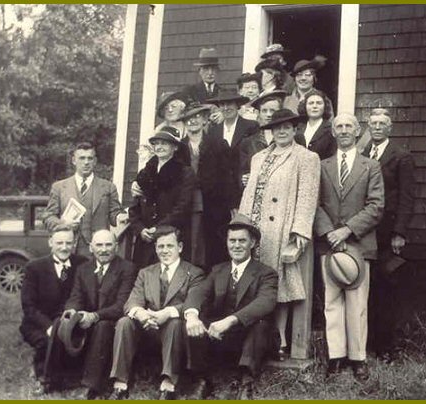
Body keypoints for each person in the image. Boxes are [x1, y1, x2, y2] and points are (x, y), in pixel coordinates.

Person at [239, 109, 320, 359]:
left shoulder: (306, 157)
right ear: (270, 131)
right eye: (277, 127)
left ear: (295, 129)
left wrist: (299, 231)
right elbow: (249, 193)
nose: (282, 131)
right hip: (256, 229)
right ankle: (252, 340)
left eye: (287, 127)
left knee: (278, 285)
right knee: (253, 282)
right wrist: (241, 226)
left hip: (281, 228)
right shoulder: (259, 157)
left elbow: (307, 197)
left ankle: (280, 341)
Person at [314, 112, 384, 382]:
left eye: (348, 126)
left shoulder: (371, 166)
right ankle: (336, 357)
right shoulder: (323, 165)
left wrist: (347, 229)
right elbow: (316, 203)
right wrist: (330, 232)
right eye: (338, 126)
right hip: (329, 243)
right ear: (333, 132)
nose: (343, 130)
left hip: (359, 243)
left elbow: (376, 206)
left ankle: (358, 358)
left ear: (357, 132)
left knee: (357, 303)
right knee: (332, 302)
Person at [184, 214, 278, 400]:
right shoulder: (218, 270)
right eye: (232, 240)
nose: (236, 246)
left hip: (249, 337)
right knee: (192, 320)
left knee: (260, 324)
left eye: (242, 241)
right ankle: (202, 380)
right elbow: (199, 292)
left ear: (252, 243)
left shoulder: (266, 273)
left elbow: (265, 302)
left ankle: (246, 382)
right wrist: (192, 315)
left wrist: (230, 321)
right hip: (219, 336)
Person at [108, 226, 205, 400]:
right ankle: (120, 383)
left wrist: (168, 313)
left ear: (180, 247)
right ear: (155, 248)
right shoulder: (146, 273)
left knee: (175, 323)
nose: (165, 251)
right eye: (160, 246)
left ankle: (168, 384)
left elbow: (195, 302)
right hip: (148, 327)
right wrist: (141, 314)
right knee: (124, 322)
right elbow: (132, 301)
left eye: (170, 246)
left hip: (174, 332)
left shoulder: (194, 273)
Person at [362, 108, 415, 362]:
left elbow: (406, 198)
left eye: (382, 124)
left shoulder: (401, 156)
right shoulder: (362, 154)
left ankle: (386, 347)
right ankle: (368, 342)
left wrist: (399, 233)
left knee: (385, 288)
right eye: (373, 123)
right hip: (365, 231)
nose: (377, 127)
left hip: (387, 232)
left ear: (390, 128)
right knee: (367, 287)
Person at [61, 230, 137, 399]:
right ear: (91, 248)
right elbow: (76, 297)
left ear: (116, 247)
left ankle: (91, 385)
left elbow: (121, 305)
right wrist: (73, 310)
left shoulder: (127, 269)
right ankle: (51, 377)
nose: (103, 249)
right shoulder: (83, 269)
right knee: (63, 323)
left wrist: (94, 316)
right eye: (99, 245)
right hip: (87, 320)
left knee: (102, 326)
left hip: (113, 322)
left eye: (108, 245)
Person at [20, 225, 88, 394]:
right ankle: (44, 378)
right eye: (59, 243)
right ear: (50, 242)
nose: (64, 247)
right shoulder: (34, 267)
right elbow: (29, 306)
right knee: (47, 341)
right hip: (39, 322)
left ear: (74, 244)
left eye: (68, 243)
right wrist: (48, 326)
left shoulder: (83, 264)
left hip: (69, 321)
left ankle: (70, 376)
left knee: (77, 342)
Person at [128, 126, 196, 270]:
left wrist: (158, 229)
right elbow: (135, 207)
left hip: (171, 236)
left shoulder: (185, 173)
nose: (159, 147)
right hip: (145, 239)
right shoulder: (145, 172)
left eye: (164, 143)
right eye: (156, 143)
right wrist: (141, 230)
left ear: (175, 147)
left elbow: (183, 207)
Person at [43, 142, 128, 257]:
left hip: (97, 249)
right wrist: (62, 223)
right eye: (82, 158)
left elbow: (114, 213)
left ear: (95, 161)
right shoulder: (59, 187)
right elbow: (48, 217)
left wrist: (119, 217)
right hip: (68, 248)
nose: (86, 162)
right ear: (74, 160)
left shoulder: (108, 187)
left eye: (90, 158)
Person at [180, 102, 236, 269]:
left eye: (197, 117)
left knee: (214, 249)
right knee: (189, 246)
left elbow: (228, 178)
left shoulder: (218, 144)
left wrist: (233, 205)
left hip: (214, 206)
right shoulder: (179, 148)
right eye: (188, 118)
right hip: (186, 206)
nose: (193, 121)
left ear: (204, 119)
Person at [206, 91, 259, 207]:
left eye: (229, 104)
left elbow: (255, 154)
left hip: (243, 185)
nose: (226, 108)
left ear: (237, 105)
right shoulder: (214, 131)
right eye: (222, 105)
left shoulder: (250, 126)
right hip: (221, 189)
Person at [238, 90, 287, 187]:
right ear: (259, 114)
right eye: (264, 111)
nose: (268, 114)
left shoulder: (288, 139)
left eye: (272, 111)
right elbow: (244, 170)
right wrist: (245, 178)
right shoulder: (249, 142)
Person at [182, 47, 224, 124]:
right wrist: (210, 107)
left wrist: (223, 114)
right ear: (199, 71)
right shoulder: (190, 91)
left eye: (213, 69)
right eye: (206, 69)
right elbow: (187, 110)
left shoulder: (224, 93)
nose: (210, 73)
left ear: (218, 71)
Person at [295, 88, 336, 161]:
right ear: (305, 106)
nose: (314, 106)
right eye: (311, 103)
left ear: (325, 106)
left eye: (319, 103)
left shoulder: (331, 129)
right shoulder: (298, 128)